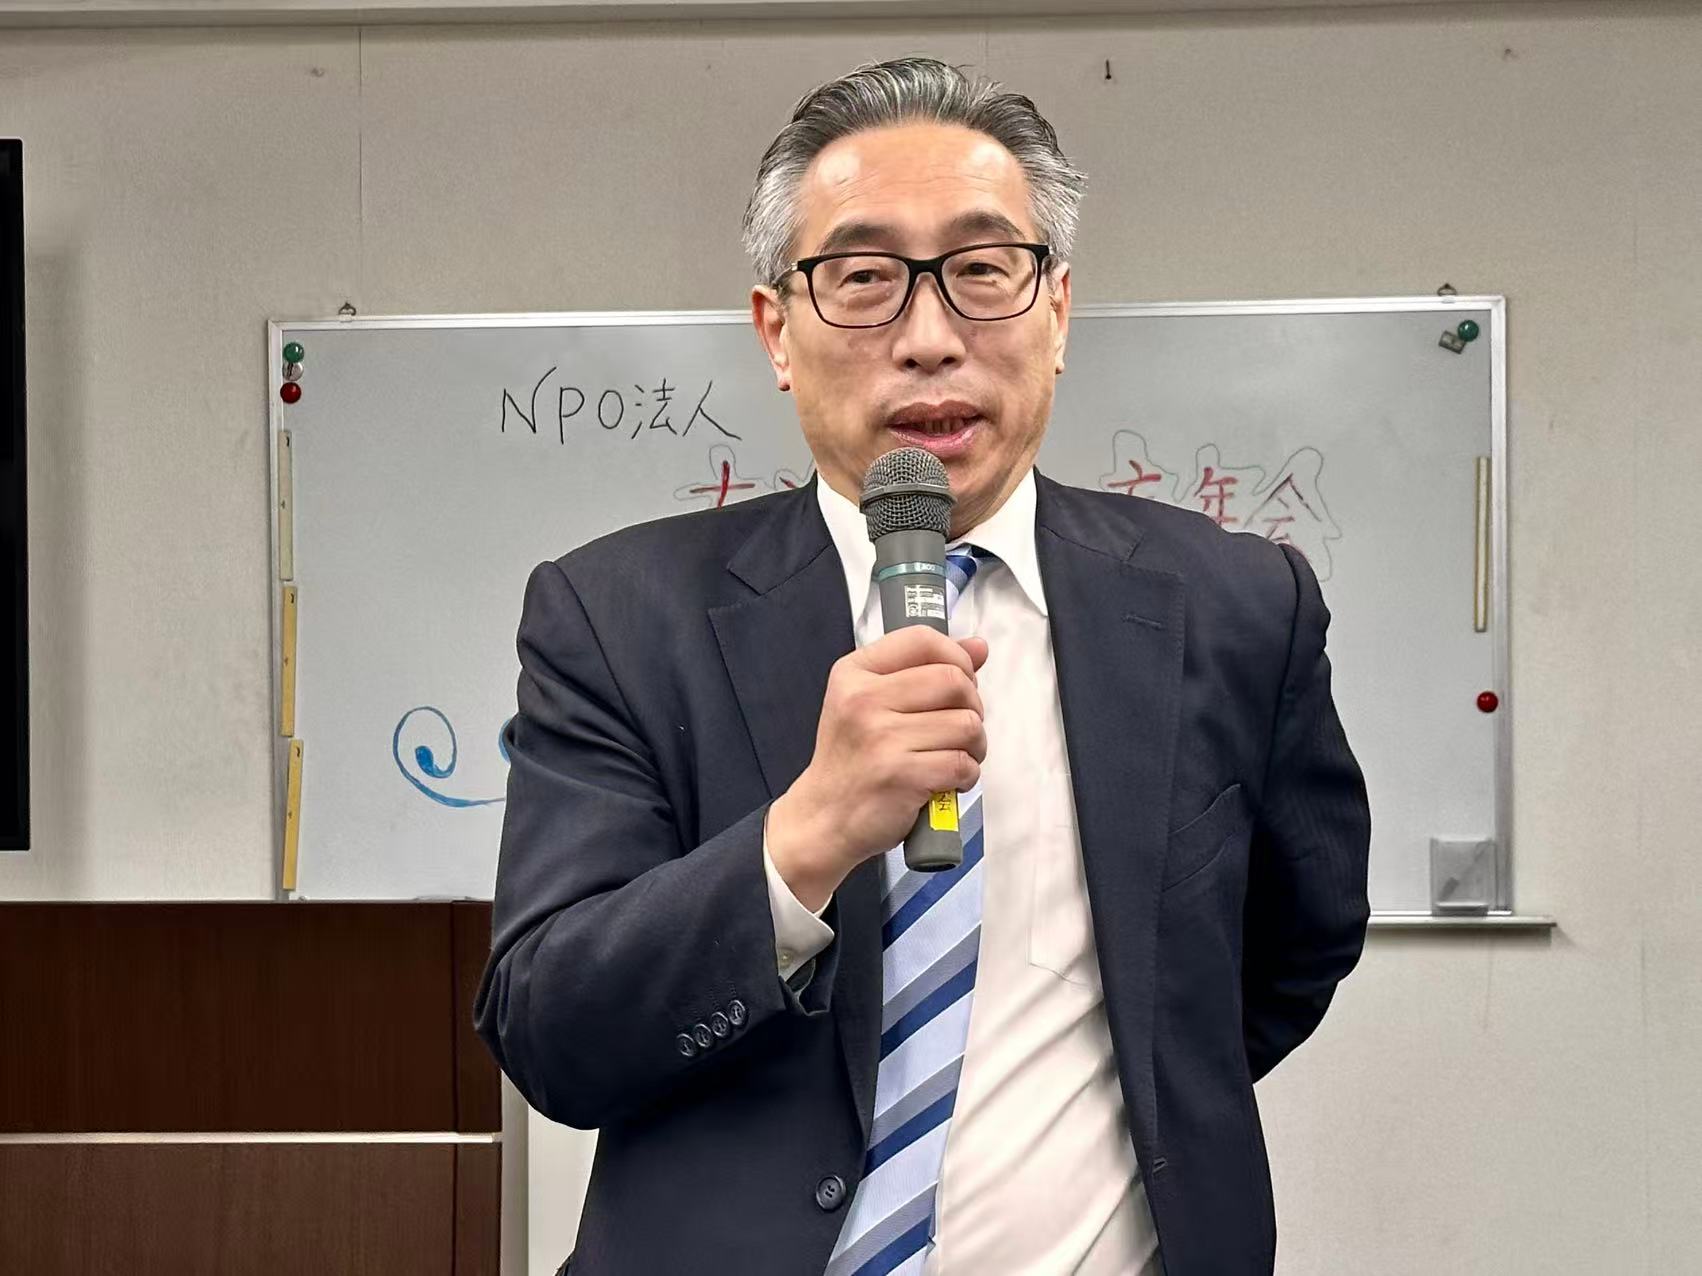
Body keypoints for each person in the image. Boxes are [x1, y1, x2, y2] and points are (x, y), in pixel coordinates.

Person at [474, 56, 1371, 1276]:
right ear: (776, 331)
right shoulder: (617, 616)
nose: (930, 339)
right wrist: (803, 838)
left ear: (1057, 312)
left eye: (983, 271)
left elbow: (1290, 950)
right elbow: (552, 1032)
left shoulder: (1235, 604)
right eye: (863, 281)